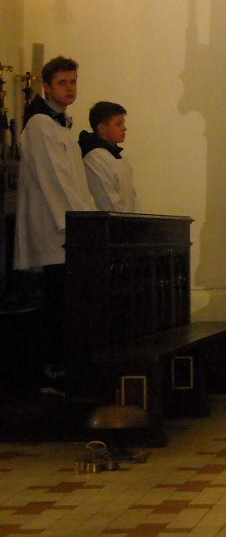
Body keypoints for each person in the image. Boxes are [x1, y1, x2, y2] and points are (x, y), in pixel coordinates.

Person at [14, 56, 97, 396]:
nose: (70, 88)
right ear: (46, 86)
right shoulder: (40, 125)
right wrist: (77, 223)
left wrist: (89, 216)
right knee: (55, 301)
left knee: (65, 301)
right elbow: (54, 181)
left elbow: (76, 182)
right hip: (55, 230)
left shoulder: (61, 125)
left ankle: (66, 367)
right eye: (63, 82)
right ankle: (51, 371)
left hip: (69, 229)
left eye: (73, 82)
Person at [79, 101, 138, 213]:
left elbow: (132, 196)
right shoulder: (94, 158)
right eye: (118, 124)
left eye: (123, 123)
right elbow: (106, 200)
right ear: (102, 128)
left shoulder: (119, 156)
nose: (124, 128)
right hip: (110, 221)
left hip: (129, 220)